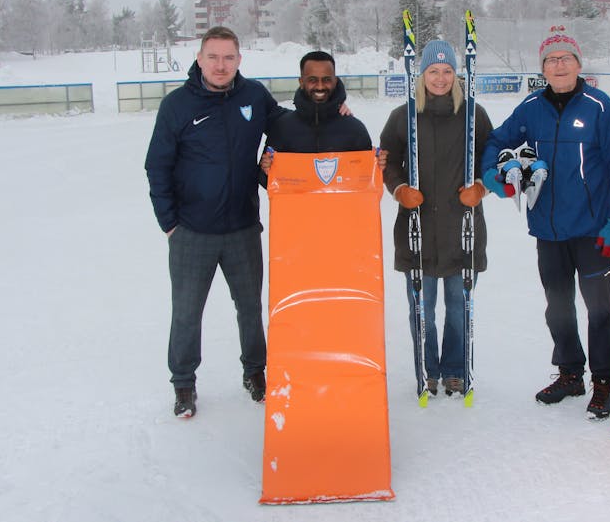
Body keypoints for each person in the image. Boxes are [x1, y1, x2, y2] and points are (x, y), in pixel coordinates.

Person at [481, 26, 610, 419]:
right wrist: (496, 176)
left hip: (594, 229)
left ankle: (603, 381)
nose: (559, 65)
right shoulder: (530, 108)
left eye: (566, 58)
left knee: (599, 310)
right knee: (558, 307)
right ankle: (569, 373)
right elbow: (496, 142)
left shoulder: (599, 107)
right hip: (548, 230)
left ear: (579, 64)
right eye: (551, 60)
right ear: (542, 68)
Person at [145, 26, 283, 418]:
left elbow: (290, 128)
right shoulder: (177, 105)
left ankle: (255, 372)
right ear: (200, 58)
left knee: (250, 309)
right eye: (213, 57)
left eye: (228, 57)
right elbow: (157, 165)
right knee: (187, 311)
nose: (221, 65)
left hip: (242, 228)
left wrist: (335, 105)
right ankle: (184, 384)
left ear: (239, 60)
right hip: (192, 232)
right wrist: (169, 223)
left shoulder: (254, 96)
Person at [379, 39, 492, 397]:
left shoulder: (474, 114)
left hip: (463, 228)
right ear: (422, 74)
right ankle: (427, 369)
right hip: (418, 230)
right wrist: (398, 189)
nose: (440, 79)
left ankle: (456, 369)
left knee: (459, 307)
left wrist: (481, 187)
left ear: (456, 75)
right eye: (433, 71)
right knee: (422, 309)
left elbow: (491, 161)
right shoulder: (403, 116)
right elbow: (388, 162)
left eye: (447, 72)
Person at [258, 50, 372, 183]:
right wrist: (267, 170)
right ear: (301, 82)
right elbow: (265, 179)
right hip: (297, 204)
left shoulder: (355, 129)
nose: (320, 86)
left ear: (335, 81)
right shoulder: (283, 128)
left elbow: (367, 180)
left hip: (341, 204)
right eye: (312, 80)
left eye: (326, 80)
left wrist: (377, 164)